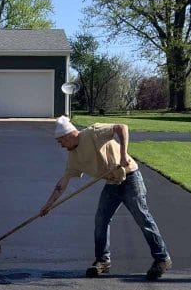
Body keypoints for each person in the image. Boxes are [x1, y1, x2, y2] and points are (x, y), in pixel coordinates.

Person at [40, 115, 172, 280]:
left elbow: (121, 127)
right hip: (112, 183)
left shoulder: (93, 132)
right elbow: (63, 182)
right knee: (101, 220)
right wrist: (49, 204)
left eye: (61, 141)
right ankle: (102, 261)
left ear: (68, 135)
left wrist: (123, 155)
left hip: (130, 177)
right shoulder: (74, 157)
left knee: (142, 218)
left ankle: (162, 259)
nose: (61, 145)